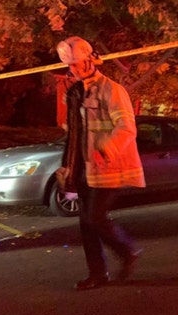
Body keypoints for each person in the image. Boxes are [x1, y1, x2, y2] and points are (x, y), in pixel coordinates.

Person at [54, 36, 145, 290]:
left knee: (95, 217)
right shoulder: (74, 92)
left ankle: (127, 251)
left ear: (91, 59)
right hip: (82, 167)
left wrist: (105, 151)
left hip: (108, 167)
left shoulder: (112, 90)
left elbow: (127, 128)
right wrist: (68, 167)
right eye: (70, 66)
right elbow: (73, 133)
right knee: (85, 222)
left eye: (77, 64)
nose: (73, 70)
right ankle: (97, 274)